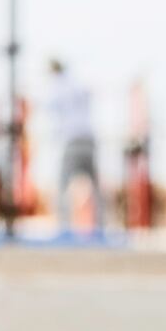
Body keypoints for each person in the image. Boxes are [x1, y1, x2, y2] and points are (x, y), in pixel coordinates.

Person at [44, 57, 97, 236]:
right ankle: (100, 228)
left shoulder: (57, 86)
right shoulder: (78, 83)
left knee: (63, 186)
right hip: (89, 137)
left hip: (71, 139)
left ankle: (64, 229)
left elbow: (51, 109)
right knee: (95, 187)